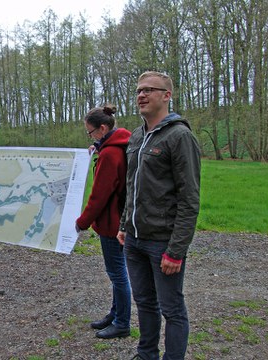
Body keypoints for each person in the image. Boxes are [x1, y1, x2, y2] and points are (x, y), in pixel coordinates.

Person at [117, 71, 200, 360]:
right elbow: (132, 185)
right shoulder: (138, 135)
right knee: (144, 303)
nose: (142, 95)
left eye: (150, 90)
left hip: (162, 243)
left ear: (167, 96)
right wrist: (124, 224)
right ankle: (146, 354)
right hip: (134, 240)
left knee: (172, 309)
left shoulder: (180, 136)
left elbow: (189, 199)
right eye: (139, 90)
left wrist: (176, 251)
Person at [75, 104, 132, 339]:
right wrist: (98, 147)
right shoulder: (118, 146)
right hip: (120, 220)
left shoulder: (110, 154)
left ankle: (122, 322)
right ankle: (115, 313)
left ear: (102, 128)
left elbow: (99, 195)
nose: (90, 136)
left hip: (112, 224)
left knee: (118, 273)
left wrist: (82, 221)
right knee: (118, 272)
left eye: (91, 133)